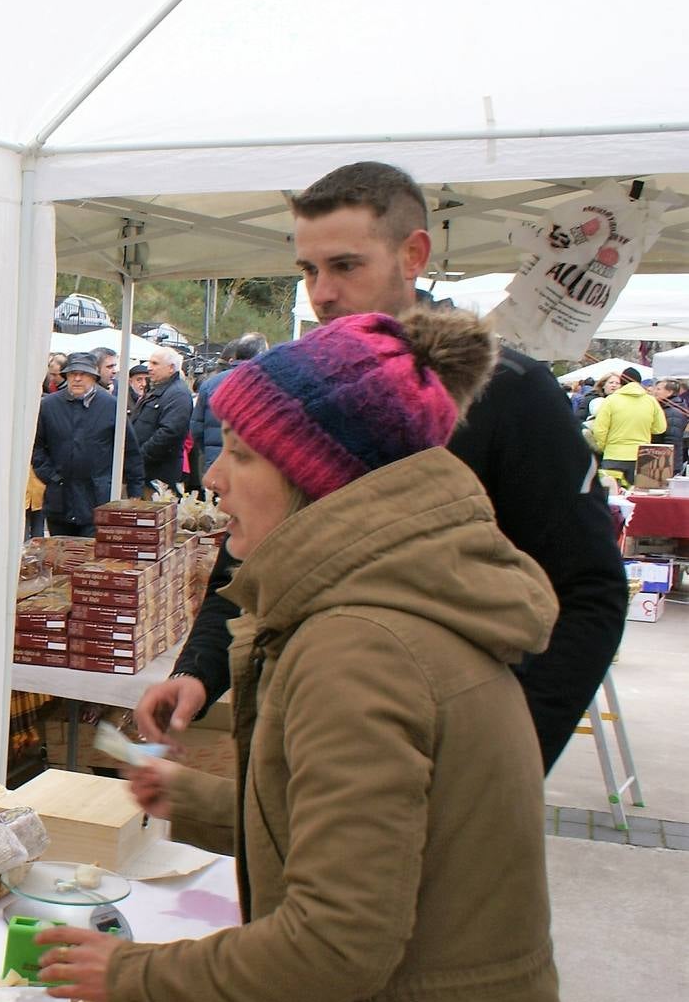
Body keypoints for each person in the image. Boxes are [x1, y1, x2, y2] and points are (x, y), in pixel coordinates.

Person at [38, 306, 575, 1002]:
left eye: (241, 453)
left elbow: (339, 941)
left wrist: (137, 975)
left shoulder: (354, 646)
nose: (213, 476)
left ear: (316, 476)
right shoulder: (394, 608)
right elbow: (389, 835)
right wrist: (204, 799)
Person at [136, 160, 625, 772]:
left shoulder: (512, 394)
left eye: (345, 265)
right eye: (309, 269)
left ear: (413, 253)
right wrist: (199, 669)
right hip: (313, 730)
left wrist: (509, 755)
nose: (322, 292)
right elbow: (254, 555)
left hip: (448, 745)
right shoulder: (300, 381)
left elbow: (590, 591)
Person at [31, 352, 142, 537]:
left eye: (83, 374)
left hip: (97, 498)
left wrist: (135, 489)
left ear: (94, 377)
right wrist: (50, 475)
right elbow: (37, 447)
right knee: (61, 555)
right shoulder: (49, 406)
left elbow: (130, 450)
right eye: (72, 373)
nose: (77, 378)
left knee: (91, 557)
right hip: (60, 496)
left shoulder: (111, 406)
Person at [190, 332, 267, 483]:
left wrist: (209, 451)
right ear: (261, 355)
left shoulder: (209, 384)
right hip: (250, 470)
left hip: (215, 465)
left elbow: (196, 429)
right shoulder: (265, 385)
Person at [587, 363, 666, 487]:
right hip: (642, 457)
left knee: (612, 497)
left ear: (622, 382)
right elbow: (660, 428)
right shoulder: (651, 401)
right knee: (638, 497)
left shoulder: (611, 400)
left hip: (613, 456)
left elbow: (599, 430)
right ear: (640, 382)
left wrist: (604, 447)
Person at [131, 346, 194, 494]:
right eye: (149, 363)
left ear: (171, 368)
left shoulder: (177, 394)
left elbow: (169, 433)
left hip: (159, 474)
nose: (149, 368)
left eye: (155, 363)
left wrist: (139, 456)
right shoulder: (158, 390)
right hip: (146, 471)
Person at [657, 377, 689, 470]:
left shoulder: (673, 411)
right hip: (664, 460)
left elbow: (672, 440)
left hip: (667, 462)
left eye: (659, 389)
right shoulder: (666, 407)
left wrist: (665, 462)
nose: (655, 392)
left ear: (670, 392)